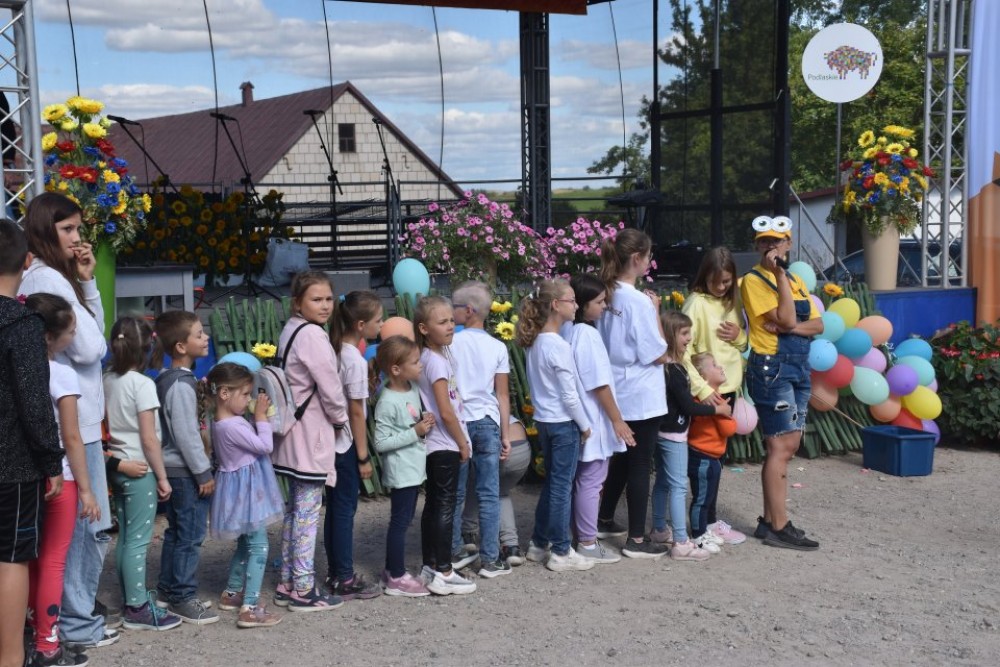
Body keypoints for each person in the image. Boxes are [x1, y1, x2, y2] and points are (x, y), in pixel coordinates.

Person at [19, 193, 117, 651]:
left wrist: (88, 282)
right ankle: (76, 622)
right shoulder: (47, 278)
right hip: (75, 421)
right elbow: (92, 347)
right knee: (87, 528)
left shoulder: (57, 276)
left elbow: (93, 336)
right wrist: (80, 287)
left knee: (81, 529)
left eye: (79, 228)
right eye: (68, 229)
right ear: (45, 231)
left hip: (82, 415)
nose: (78, 238)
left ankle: (71, 617)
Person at [0, 220, 64, 667]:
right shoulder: (22, 325)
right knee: (10, 559)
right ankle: (9, 658)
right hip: (13, 464)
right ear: (26, 262)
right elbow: (35, 404)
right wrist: (51, 461)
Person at [24, 293, 100, 667]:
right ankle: (48, 644)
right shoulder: (62, 375)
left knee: (26, 560)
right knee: (54, 561)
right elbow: (71, 437)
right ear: (51, 336)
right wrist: (86, 489)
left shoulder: (16, 369)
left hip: (23, 476)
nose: (73, 337)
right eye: (71, 331)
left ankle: (24, 636)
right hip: (61, 478)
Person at [740, 215, 823, 550]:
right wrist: (780, 280)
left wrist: (791, 327)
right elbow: (788, 318)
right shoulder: (754, 281)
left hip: (798, 368)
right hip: (772, 367)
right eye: (764, 241)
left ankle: (768, 521)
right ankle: (778, 526)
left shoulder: (795, 280)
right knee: (779, 447)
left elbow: (817, 325)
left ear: (788, 244)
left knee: (789, 445)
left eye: (776, 240)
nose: (769, 246)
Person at [271, 271, 348, 611]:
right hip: (310, 435)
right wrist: (341, 419)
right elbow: (330, 386)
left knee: (295, 511)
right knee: (307, 513)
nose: (325, 305)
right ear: (297, 303)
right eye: (316, 299)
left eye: (329, 299)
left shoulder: (291, 329)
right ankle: (303, 587)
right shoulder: (314, 335)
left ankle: (288, 581)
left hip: (290, 433)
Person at [595, 229, 670, 559]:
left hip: (615, 387)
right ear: (638, 259)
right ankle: (637, 539)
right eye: (648, 256)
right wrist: (656, 312)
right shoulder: (638, 301)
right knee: (640, 465)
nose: (650, 261)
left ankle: (604, 518)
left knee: (622, 461)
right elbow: (656, 352)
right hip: (641, 391)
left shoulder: (608, 292)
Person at [104, 316, 181, 631]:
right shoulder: (143, 384)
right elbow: (149, 439)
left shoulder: (107, 378)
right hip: (140, 469)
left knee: (126, 538)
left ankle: (131, 598)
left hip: (118, 465)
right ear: (148, 348)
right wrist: (162, 477)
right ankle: (137, 608)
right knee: (138, 541)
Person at [517, 279, 594, 573]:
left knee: (553, 484)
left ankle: (539, 543)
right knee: (562, 487)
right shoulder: (558, 346)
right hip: (563, 424)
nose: (576, 305)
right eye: (571, 300)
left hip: (545, 422)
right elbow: (570, 396)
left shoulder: (535, 342)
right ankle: (561, 550)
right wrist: (585, 425)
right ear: (555, 305)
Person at [206, 362, 284, 629]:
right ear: (224, 393)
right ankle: (249, 607)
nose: (249, 400)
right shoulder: (232, 426)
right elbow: (264, 445)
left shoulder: (222, 421)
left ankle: (232, 593)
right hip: (247, 494)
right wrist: (261, 417)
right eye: (245, 394)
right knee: (259, 546)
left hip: (239, 493)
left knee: (245, 544)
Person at [152, 310, 219, 624]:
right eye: (199, 334)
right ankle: (183, 595)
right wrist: (203, 472)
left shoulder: (172, 379)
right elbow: (186, 434)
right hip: (185, 472)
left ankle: (167, 590)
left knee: (177, 533)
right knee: (189, 537)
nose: (205, 338)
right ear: (181, 346)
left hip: (177, 470)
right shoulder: (180, 385)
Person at [563, 274, 632, 565]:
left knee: (581, 480)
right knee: (591, 481)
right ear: (582, 304)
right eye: (599, 302)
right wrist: (617, 419)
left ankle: (577, 535)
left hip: (581, 418)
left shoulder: (569, 331)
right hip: (594, 418)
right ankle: (588, 541)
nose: (604, 307)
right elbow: (599, 384)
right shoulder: (587, 335)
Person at [682, 246, 749, 545]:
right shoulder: (695, 303)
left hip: (728, 388)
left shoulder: (734, 300)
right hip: (708, 393)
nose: (721, 287)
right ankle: (703, 524)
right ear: (704, 276)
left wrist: (740, 336)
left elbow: (744, 343)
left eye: (726, 281)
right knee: (705, 458)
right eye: (715, 281)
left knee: (717, 458)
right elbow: (682, 351)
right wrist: (702, 389)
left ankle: (709, 520)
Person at [413, 295, 476, 595]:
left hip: (437, 443)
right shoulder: (436, 362)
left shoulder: (430, 357)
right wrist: (462, 442)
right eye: (442, 322)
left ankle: (430, 566)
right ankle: (443, 571)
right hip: (445, 443)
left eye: (451, 320)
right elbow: (445, 411)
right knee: (445, 506)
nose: (450, 326)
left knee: (435, 504)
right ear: (424, 328)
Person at [650, 311, 724, 562]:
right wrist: (717, 410)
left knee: (663, 482)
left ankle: (659, 529)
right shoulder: (675, 370)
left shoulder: (664, 367)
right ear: (671, 335)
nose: (689, 338)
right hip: (674, 435)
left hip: (661, 432)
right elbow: (689, 407)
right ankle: (681, 542)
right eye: (684, 333)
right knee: (679, 486)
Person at [450, 281, 512, 578]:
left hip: (459, 422)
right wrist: (505, 434)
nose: (451, 312)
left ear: (468, 310)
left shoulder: (451, 343)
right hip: (487, 421)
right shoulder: (498, 346)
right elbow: (502, 394)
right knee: (489, 493)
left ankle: (454, 551)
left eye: (454, 307)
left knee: (456, 492)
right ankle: (490, 558)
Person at [325, 290, 383, 600]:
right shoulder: (355, 362)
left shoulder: (332, 351)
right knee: (345, 510)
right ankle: (345, 576)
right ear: (361, 325)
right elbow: (356, 412)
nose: (381, 325)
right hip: (345, 444)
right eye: (378, 320)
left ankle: (335, 572)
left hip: (328, 442)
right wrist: (363, 456)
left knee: (335, 509)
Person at [373, 335, 435, 597]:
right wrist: (415, 432)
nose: (420, 365)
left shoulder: (412, 388)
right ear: (396, 369)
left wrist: (424, 421)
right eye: (415, 362)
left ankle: (391, 570)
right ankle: (396, 576)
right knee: (399, 523)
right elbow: (381, 442)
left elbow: (411, 420)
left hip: (413, 468)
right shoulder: (387, 401)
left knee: (406, 519)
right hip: (401, 471)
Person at [685, 353, 737, 554]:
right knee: (702, 499)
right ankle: (698, 535)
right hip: (703, 457)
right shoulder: (711, 401)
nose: (720, 367)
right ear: (702, 377)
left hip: (711, 456)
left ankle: (705, 529)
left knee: (707, 497)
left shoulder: (713, 398)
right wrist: (726, 413)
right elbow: (729, 429)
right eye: (714, 365)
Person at [462, 417, 531, 566]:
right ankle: (511, 547)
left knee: (477, 483)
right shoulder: (496, 405)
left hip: (493, 445)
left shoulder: (468, 409)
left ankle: (468, 535)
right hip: (521, 449)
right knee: (501, 491)